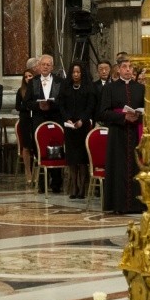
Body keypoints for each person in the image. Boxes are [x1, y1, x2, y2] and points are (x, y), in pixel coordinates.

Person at [100, 58, 145, 214]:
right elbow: (103, 113)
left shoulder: (140, 88)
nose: (127, 69)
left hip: (136, 133)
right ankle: (119, 205)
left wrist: (138, 116)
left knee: (136, 167)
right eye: (124, 67)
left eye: (130, 67)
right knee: (118, 167)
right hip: (118, 134)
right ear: (118, 70)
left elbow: (147, 111)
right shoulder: (110, 88)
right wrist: (122, 117)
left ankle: (137, 204)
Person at [25, 54, 64, 193]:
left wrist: (51, 105)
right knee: (39, 150)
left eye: (48, 64)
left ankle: (56, 183)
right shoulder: (33, 81)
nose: (46, 66)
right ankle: (42, 183)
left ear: (52, 67)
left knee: (56, 150)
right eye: (43, 64)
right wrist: (39, 106)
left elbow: (64, 101)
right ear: (39, 66)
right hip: (38, 119)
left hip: (55, 119)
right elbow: (27, 102)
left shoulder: (60, 81)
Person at [58, 61, 96, 199]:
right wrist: (67, 118)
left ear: (82, 73)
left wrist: (82, 120)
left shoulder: (88, 87)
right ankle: (73, 186)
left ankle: (82, 189)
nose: (75, 74)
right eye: (73, 72)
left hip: (82, 126)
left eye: (78, 72)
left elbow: (90, 106)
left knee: (82, 159)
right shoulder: (65, 86)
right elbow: (61, 105)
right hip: (69, 127)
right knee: (72, 159)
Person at [15, 68, 35, 183]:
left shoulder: (37, 89)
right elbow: (18, 106)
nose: (28, 78)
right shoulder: (20, 91)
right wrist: (27, 106)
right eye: (26, 76)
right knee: (26, 145)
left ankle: (37, 171)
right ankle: (28, 171)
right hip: (25, 119)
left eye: (30, 76)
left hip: (35, 119)